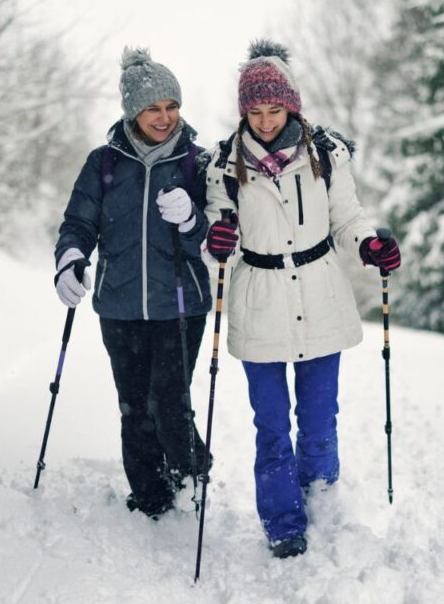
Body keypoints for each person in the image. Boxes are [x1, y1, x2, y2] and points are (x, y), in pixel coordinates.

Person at [202, 40, 401, 558]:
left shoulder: (326, 155)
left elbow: (348, 219)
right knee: (271, 427)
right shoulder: (225, 163)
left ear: (291, 105)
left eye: (275, 109)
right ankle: (283, 522)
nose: (265, 121)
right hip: (259, 300)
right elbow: (213, 232)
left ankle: (321, 502)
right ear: (243, 110)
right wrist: (216, 241)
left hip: (319, 293)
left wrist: (370, 245)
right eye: (255, 111)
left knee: (318, 419)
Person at [54, 47, 211, 520]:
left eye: (171, 107)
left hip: (180, 304)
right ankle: (149, 494)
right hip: (119, 304)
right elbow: (78, 222)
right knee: (133, 406)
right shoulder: (104, 163)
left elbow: (225, 235)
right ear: (131, 112)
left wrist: (192, 219)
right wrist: (70, 257)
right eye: (152, 109)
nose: (164, 118)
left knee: (169, 400)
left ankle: (189, 477)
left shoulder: (198, 163)